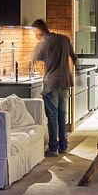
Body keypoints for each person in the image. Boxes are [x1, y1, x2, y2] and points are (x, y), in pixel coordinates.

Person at [30, 18, 76, 155]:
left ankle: (53, 148)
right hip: (65, 81)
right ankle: (63, 146)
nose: (34, 35)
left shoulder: (43, 43)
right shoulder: (64, 39)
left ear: (38, 30)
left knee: (52, 116)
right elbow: (74, 57)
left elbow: (35, 59)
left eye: (34, 31)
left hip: (51, 83)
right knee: (62, 115)